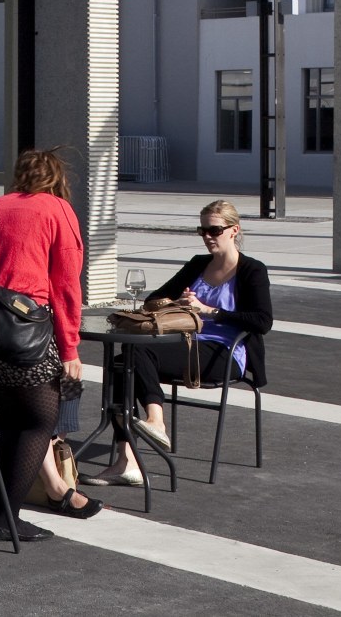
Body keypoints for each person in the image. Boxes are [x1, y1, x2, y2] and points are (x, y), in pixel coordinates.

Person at [0, 149, 102, 536]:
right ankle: (2, 520)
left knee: (12, 422)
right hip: (19, 326)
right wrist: (70, 348)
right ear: (56, 179)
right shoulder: (56, 210)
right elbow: (66, 285)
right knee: (36, 422)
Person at [104, 199, 273, 486]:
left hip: (225, 352)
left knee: (136, 351)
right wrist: (178, 302)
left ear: (234, 230)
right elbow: (153, 299)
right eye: (202, 230)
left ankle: (155, 421)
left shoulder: (252, 271)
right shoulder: (198, 264)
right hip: (185, 344)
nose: (208, 237)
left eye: (214, 230)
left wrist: (210, 311)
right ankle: (127, 458)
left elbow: (262, 321)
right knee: (122, 364)